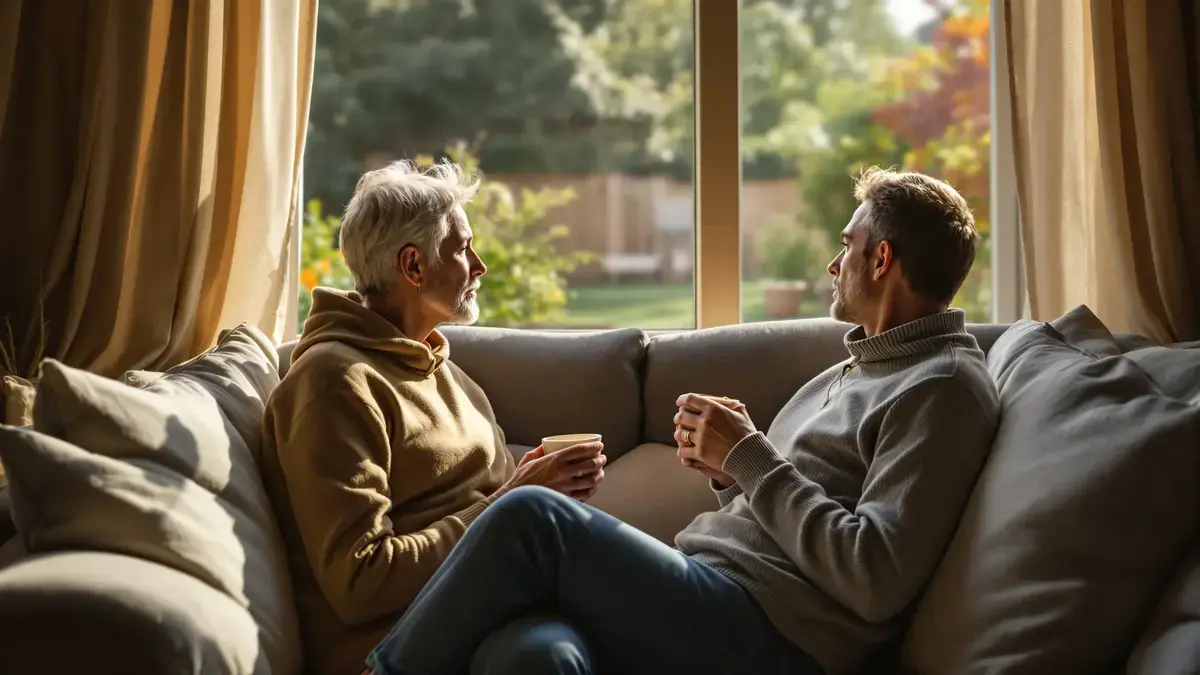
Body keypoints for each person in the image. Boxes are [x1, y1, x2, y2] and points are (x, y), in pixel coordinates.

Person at [360, 167, 1002, 675]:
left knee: (534, 519)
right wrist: (731, 471)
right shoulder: (862, 365)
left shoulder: (940, 387)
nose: (835, 266)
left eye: (847, 246)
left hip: (771, 636)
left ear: (882, 260)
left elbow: (874, 579)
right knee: (530, 653)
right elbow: (792, 508)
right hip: (712, 596)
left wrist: (751, 456)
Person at [258, 160, 607, 675]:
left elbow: (478, 506)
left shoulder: (437, 366)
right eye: (463, 249)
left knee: (558, 648)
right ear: (414, 267)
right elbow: (360, 582)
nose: (480, 266)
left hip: (490, 613)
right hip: (396, 647)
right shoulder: (333, 382)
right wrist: (511, 507)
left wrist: (529, 483)